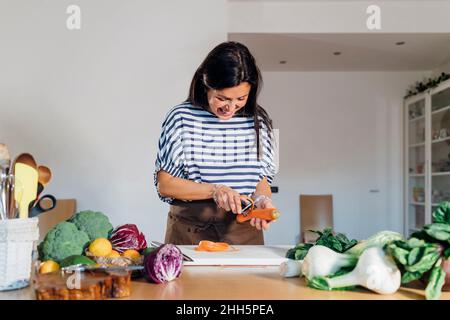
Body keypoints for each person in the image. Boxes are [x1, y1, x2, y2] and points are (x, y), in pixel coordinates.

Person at [154, 41, 277, 245]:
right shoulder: (180, 117)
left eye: (241, 98)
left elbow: (261, 180)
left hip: (244, 232)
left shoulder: (260, 120)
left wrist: (262, 200)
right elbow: (165, 184)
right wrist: (215, 190)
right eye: (223, 98)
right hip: (190, 231)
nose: (231, 107)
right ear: (206, 84)